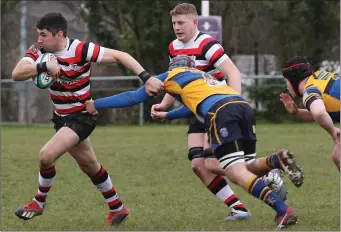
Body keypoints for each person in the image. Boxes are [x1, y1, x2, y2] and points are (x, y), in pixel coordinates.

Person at [84, 55, 304, 230]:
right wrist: (168, 116)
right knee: (247, 168)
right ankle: (276, 160)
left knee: (236, 173)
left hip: (222, 112)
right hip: (242, 106)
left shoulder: (171, 75)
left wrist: (97, 103)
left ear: (173, 67)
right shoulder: (204, 77)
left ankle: (283, 210)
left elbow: (134, 97)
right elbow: (195, 104)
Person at [11, 12, 163, 226]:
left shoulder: (80, 49)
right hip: (61, 118)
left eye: (44, 35)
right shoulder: (39, 51)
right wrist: (43, 66)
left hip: (82, 117)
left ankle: (38, 202)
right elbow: (16, 74)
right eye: (39, 34)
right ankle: (118, 208)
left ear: (59, 34)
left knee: (46, 156)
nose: (39, 39)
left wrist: (146, 78)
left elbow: (121, 56)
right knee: (89, 165)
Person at [151, 3, 287, 220]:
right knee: (198, 165)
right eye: (174, 23)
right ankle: (239, 208)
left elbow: (233, 73)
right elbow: (176, 79)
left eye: (181, 22)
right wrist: (165, 105)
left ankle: (267, 174)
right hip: (199, 112)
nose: (177, 27)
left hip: (218, 110)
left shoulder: (207, 44)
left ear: (194, 22)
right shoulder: (173, 48)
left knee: (216, 163)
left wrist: (232, 103)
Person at [280, 56, 340, 171]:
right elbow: (320, 114)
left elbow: (320, 113)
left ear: (293, 80)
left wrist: (333, 132)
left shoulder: (310, 91)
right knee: (338, 156)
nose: (287, 87)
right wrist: (296, 112)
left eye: (286, 82)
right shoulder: (320, 77)